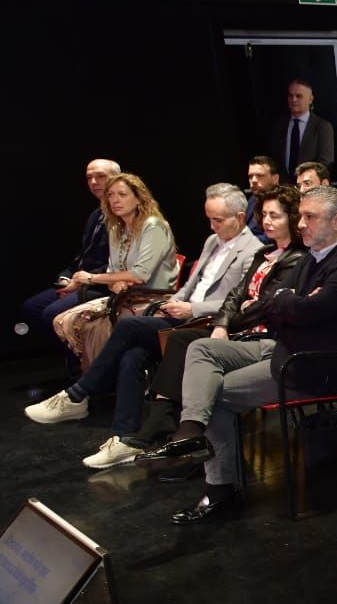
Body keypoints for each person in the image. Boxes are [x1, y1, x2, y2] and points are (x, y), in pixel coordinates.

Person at [140, 186, 337, 522]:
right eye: (301, 216)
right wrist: (289, 303)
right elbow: (273, 301)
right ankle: (190, 430)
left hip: (311, 367)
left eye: (310, 217)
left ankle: (220, 488)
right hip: (286, 348)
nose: (302, 224)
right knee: (201, 347)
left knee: (215, 394)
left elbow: (297, 310)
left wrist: (288, 303)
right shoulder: (312, 257)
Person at [28, 184, 262, 446]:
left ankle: (78, 394)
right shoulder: (212, 241)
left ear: (240, 218)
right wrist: (175, 300)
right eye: (209, 219)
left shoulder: (252, 251)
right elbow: (191, 284)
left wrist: (191, 308)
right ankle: (125, 437)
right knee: (133, 356)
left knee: (129, 327)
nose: (211, 226)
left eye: (217, 220)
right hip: (179, 313)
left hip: (205, 321)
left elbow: (239, 300)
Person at [109, 184, 310, 456]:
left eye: (275, 216)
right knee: (142, 351)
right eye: (264, 214)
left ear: (293, 218)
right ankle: (163, 424)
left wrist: (229, 320)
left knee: (176, 340)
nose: (267, 221)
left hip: (261, 334)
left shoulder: (297, 257)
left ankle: (171, 427)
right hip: (233, 325)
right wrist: (222, 323)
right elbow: (237, 295)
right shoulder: (265, 254)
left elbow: (266, 305)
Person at [52, 172, 180, 363]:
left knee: (92, 326)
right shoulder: (116, 228)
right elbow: (113, 272)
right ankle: (96, 375)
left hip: (153, 297)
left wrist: (91, 278)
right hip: (124, 296)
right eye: (110, 195)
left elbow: (140, 274)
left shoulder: (153, 226)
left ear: (138, 198)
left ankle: (100, 378)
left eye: (122, 194)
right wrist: (115, 283)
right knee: (62, 321)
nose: (115, 200)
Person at [19, 159, 117, 343]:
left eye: (100, 176)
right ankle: (75, 355)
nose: (94, 182)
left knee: (51, 313)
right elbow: (84, 255)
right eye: (90, 178)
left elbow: (119, 262)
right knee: (31, 308)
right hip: (82, 280)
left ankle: (82, 361)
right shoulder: (96, 214)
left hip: (103, 284)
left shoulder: (123, 218)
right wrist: (66, 277)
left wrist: (82, 282)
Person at [271, 79, 335, 179]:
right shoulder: (279, 126)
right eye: (290, 96)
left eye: (299, 96)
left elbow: (325, 162)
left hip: (311, 186)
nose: (294, 99)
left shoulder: (322, 126)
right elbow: (275, 160)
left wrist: (305, 180)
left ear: (310, 99)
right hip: (285, 188)